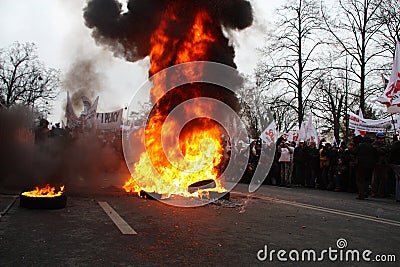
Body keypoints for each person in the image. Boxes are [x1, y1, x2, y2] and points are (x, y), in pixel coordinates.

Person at [371, 132, 389, 197]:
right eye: (379, 138)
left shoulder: (385, 144)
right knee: (374, 179)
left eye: (382, 139)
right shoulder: (373, 144)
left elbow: (385, 150)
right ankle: (374, 192)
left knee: (384, 178)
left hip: (384, 163)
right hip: (376, 163)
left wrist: (379, 150)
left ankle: (381, 192)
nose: (381, 140)